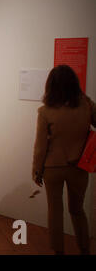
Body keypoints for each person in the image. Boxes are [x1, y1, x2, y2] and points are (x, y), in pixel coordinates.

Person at [32, 65, 96, 255]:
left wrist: (36, 171)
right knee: (77, 210)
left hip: (53, 169)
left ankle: (58, 252)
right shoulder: (85, 105)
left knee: (55, 213)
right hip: (79, 167)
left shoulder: (45, 112)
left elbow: (40, 146)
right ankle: (85, 249)